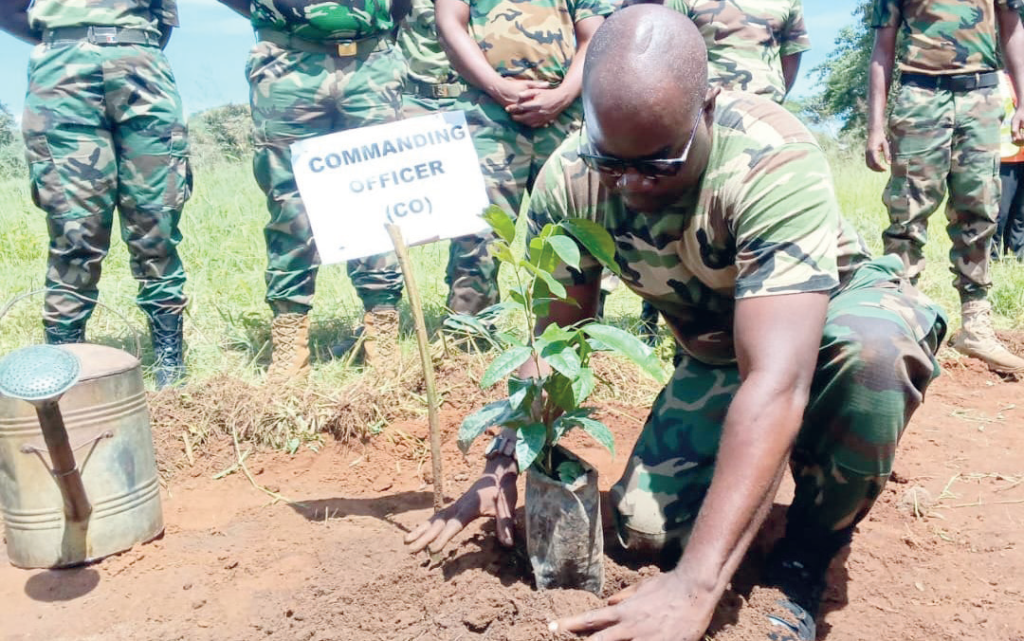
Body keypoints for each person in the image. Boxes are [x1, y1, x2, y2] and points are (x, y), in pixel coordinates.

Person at [406, 7, 948, 640]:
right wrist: (503, 462)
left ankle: (806, 555)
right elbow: (552, 342)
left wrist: (697, 586)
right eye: (613, 162)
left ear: (707, 108)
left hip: (828, 319)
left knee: (871, 359)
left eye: (658, 164)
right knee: (643, 532)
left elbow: (777, 380)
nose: (632, 183)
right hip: (719, 348)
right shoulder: (572, 179)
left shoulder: (768, 163)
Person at [216, 0, 411, 383]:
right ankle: (290, 342)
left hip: (371, 62)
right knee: (290, 207)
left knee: (378, 200)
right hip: (288, 64)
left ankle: (382, 336)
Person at [0, 0, 191, 390]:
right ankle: (65, 363)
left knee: (157, 218)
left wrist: (123, 45)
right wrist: (72, 40)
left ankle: (170, 360)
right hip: (62, 74)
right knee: (75, 226)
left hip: (143, 68)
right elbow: (9, 9)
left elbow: (164, 16)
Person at [865, 0, 1024, 373]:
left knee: (981, 209)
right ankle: (901, 321)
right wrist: (874, 127)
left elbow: (1013, 28)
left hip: (981, 97)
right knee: (906, 214)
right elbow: (882, 49)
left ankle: (975, 325)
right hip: (920, 97)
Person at [434, 0, 613, 317]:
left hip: (565, 116)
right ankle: (468, 334)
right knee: (478, 230)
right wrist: (499, 88)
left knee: (574, 228)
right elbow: (450, 25)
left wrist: (560, 97)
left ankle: (575, 330)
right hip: (486, 114)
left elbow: (595, 36)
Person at [667, 0, 810, 104]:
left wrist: (774, 99)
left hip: (765, 108)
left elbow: (791, 54)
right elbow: (665, 50)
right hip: (705, 109)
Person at [995, 70, 1024, 261]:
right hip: (1004, 156)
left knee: (1021, 215)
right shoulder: (997, 80)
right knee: (1000, 213)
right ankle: (992, 258)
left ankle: (1017, 257)